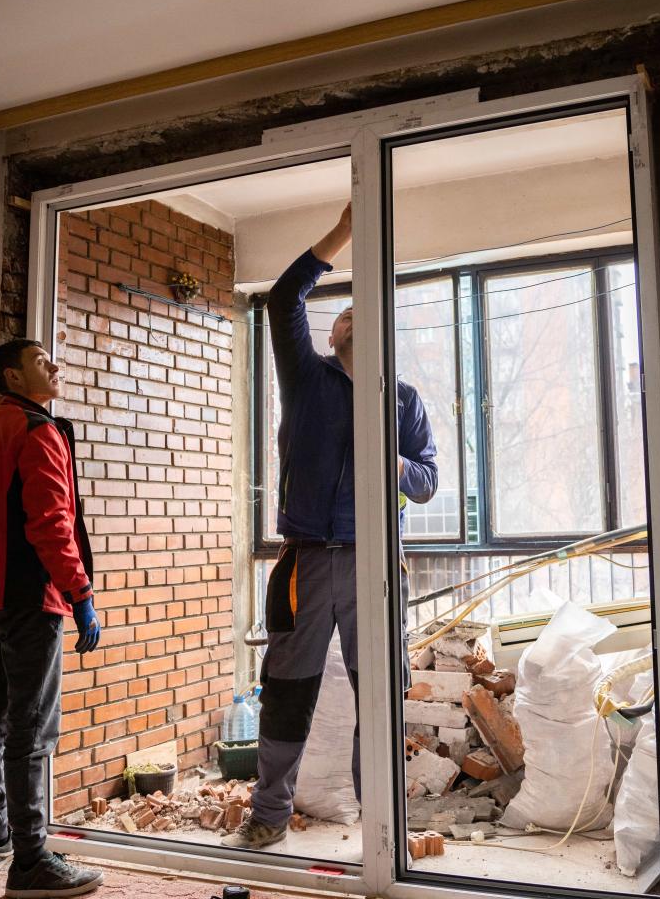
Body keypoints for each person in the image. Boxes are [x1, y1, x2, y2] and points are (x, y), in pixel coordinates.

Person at [224, 203, 438, 849]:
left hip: (376, 561)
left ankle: (384, 832)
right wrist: (345, 232)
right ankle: (267, 818)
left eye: (360, 312)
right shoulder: (306, 378)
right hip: (307, 561)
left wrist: (393, 463)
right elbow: (282, 297)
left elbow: (428, 481)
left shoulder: (400, 401)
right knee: (288, 688)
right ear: (335, 331)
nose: (347, 316)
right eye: (342, 312)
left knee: (381, 692)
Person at [0, 338, 104, 897]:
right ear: (13, 377)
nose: (55, 365)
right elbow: (51, 523)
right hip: (30, 600)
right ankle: (32, 860)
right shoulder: (39, 431)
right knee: (32, 730)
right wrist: (79, 592)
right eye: (43, 361)